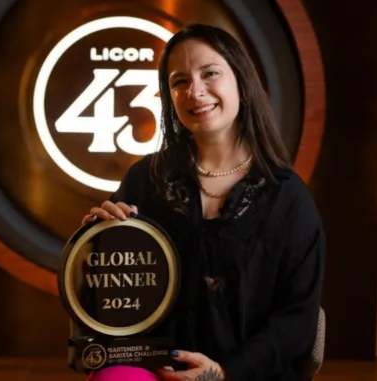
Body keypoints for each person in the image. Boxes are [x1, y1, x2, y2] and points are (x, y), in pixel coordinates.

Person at [82, 23, 325, 381]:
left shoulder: (288, 197)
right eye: (179, 81)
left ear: (240, 80)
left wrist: (223, 372)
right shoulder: (144, 179)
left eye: (210, 73)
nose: (194, 91)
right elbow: (103, 296)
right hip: (152, 365)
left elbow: (299, 319)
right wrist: (92, 245)